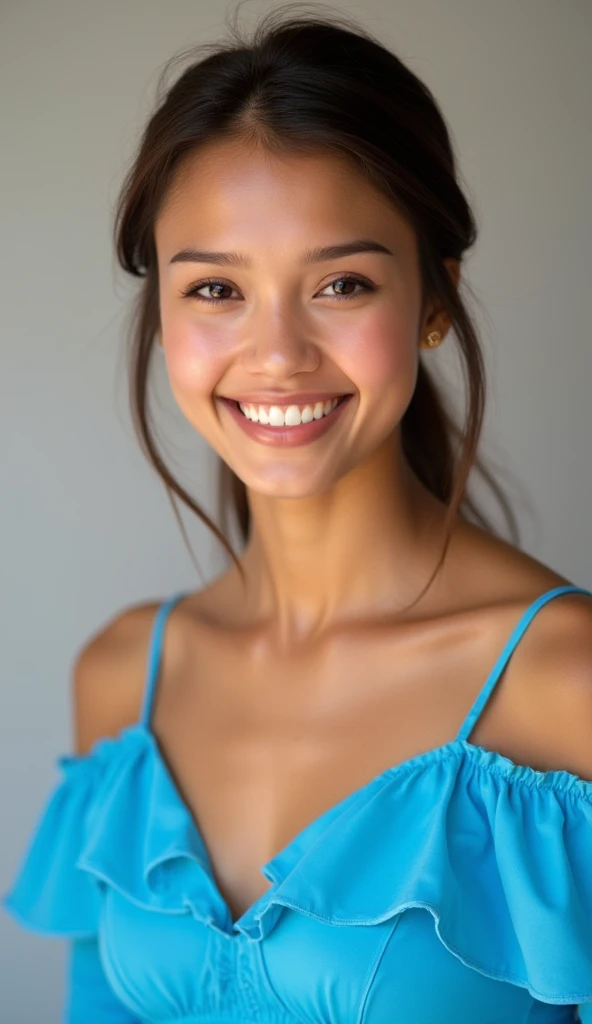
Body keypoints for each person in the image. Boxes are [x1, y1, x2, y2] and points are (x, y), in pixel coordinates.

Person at [3, 5, 592, 1023]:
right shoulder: (121, 681)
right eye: (217, 289)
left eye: (342, 282)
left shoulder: (567, 685)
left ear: (436, 298)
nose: (276, 353)